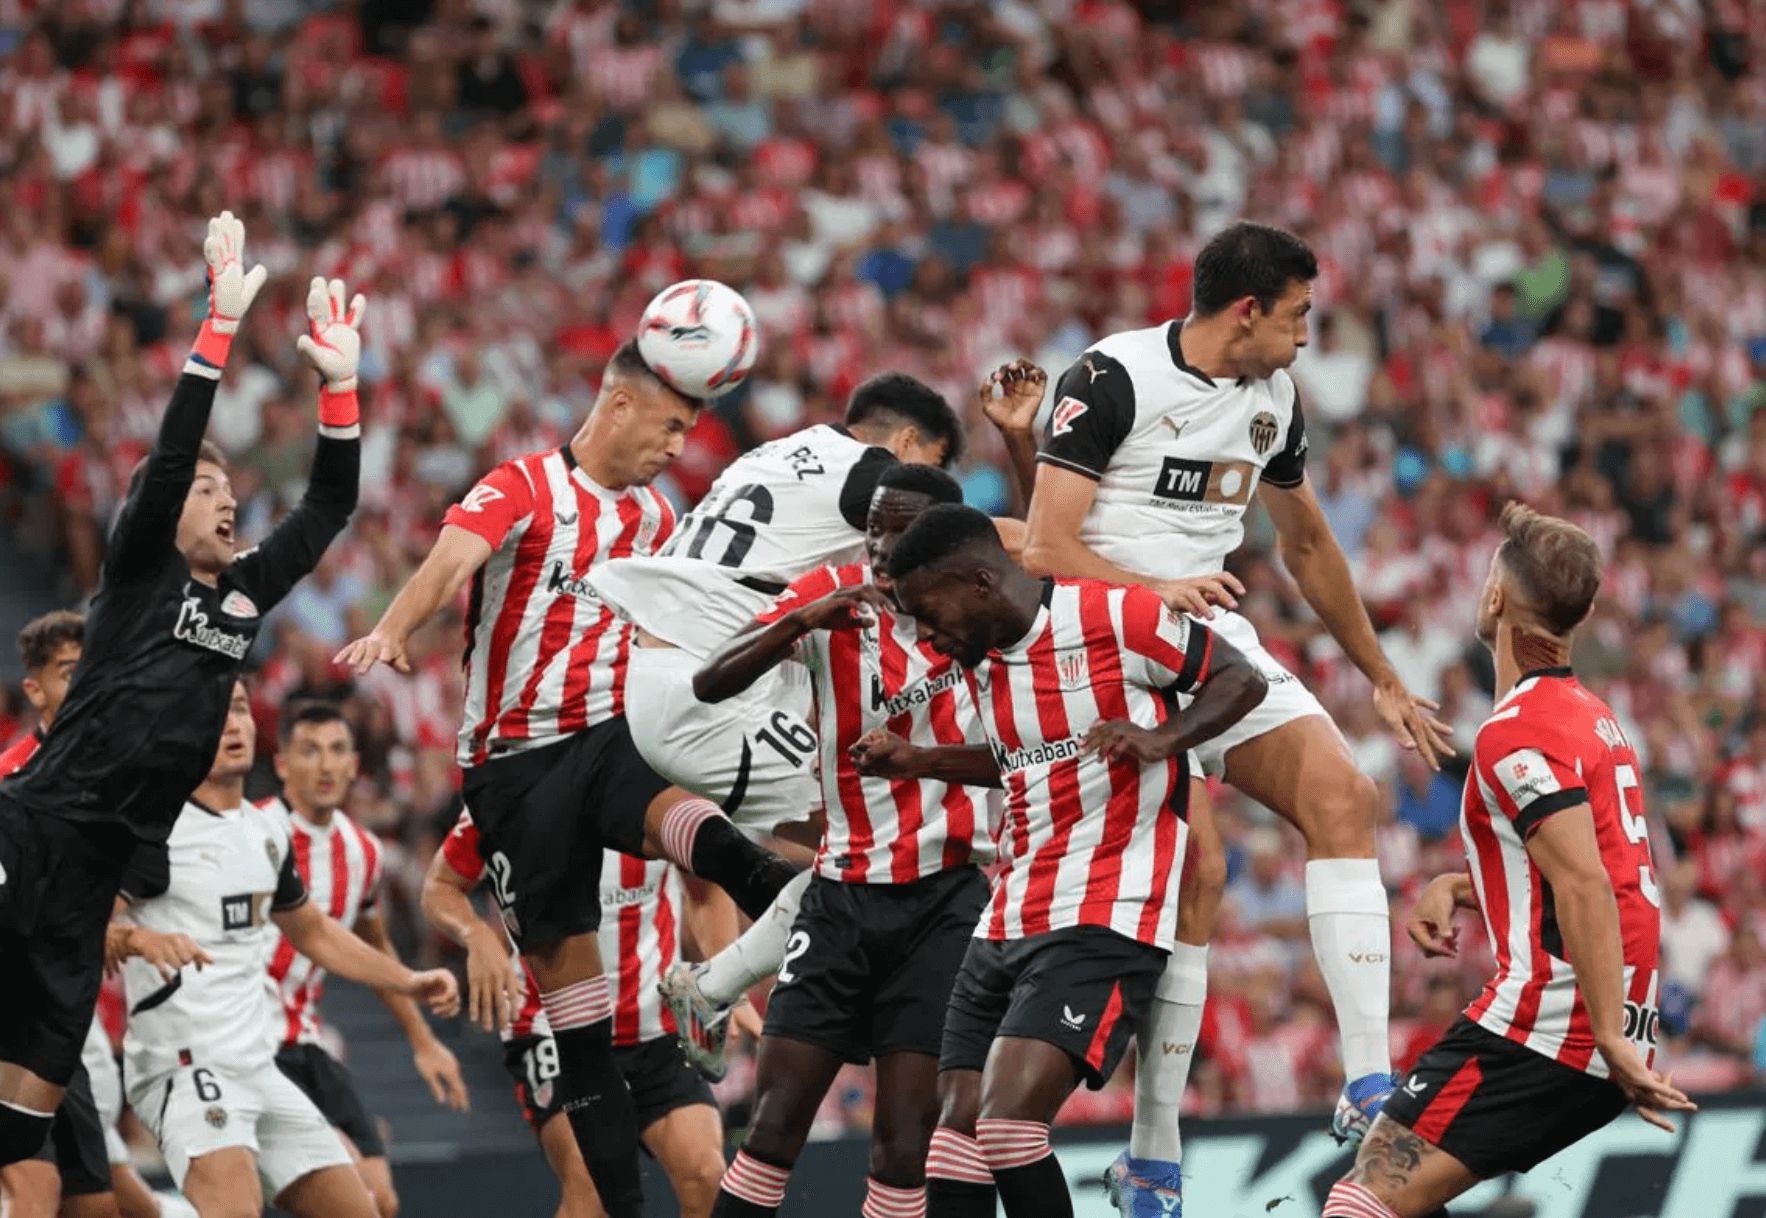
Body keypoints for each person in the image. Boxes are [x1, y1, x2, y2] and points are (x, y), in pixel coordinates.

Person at [1012, 221, 1451, 1210]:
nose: (1305, 335)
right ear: (1245, 309)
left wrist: (1378, 675)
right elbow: (1043, 545)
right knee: (1197, 871)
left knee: (1342, 794)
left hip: (1205, 638)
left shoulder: (1274, 400)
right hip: (1101, 637)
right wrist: (1150, 590)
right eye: (1296, 314)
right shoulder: (1111, 377)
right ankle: (1153, 1151)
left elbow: (1303, 544)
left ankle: (1367, 1082)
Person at [335, 340, 794, 1218]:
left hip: (609, 741)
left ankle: (793, 898)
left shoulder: (659, 521)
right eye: (669, 425)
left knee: (696, 820)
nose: (676, 448)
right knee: (581, 1069)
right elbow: (452, 562)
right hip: (516, 770)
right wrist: (396, 628)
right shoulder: (521, 488)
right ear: (617, 407)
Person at [0, 213, 364, 1172]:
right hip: (30, 829)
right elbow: (169, 458)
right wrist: (217, 328)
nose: (225, 497)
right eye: (207, 492)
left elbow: (328, 506)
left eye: (228, 489)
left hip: (100, 876)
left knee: (23, 1121)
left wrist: (341, 389)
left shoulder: (242, 597)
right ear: (160, 518)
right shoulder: (135, 580)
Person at [855, 504, 1268, 1218]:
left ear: (980, 581)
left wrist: (1164, 739)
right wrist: (917, 758)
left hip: (1105, 909)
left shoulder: (1118, 617)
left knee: (1009, 1128)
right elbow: (1025, 759)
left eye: (927, 611)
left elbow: (1241, 680)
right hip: (1009, 911)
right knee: (951, 1142)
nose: (924, 633)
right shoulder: (982, 660)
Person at [1322, 503, 1694, 1218]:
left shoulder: (1515, 734)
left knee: (1358, 1203)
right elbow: (1581, 871)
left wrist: (1609, 1035)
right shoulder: (1592, 717)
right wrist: (1458, 886)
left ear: (1495, 599)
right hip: (1595, 1029)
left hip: (1551, 1027)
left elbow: (1585, 883)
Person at [682, 465, 997, 1218]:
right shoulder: (835, 594)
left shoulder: (979, 614)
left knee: (902, 1145)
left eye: (902, 533)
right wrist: (801, 620)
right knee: (771, 1128)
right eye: (874, 530)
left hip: (944, 903)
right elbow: (709, 683)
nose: (882, 548)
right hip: (840, 900)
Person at [110, 681, 459, 1218]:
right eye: (216, 712)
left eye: (242, 709)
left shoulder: (263, 833)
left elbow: (314, 932)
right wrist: (137, 938)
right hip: (187, 1067)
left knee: (368, 1210)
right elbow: (82, 927)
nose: (232, 724)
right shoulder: (156, 830)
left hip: (260, 1066)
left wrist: (407, 980)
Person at [420, 813, 729, 1218]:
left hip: (654, 1024)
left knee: (706, 1176)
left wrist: (727, 981)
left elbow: (710, 885)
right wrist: (477, 935)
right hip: (553, 1025)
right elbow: (440, 887)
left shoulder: (658, 782)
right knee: (593, 1185)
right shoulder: (510, 780)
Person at [0, 612, 190, 1218]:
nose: (85, 685)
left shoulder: (124, 778)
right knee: (35, 1190)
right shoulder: (10, 780)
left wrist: (109, 919)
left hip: (70, 1027)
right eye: (67, 673)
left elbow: (143, 871)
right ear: (34, 690)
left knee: (96, 1204)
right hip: (14, 1018)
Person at [262, 701, 470, 1218]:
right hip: (249, 1046)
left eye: (337, 751)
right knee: (352, 1198)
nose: (327, 765)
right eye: (310, 751)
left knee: (384, 1198)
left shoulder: (363, 852)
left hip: (305, 1041)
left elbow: (375, 944)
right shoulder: (255, 833)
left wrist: (424, 1041)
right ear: (283, 763)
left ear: (356, 764)